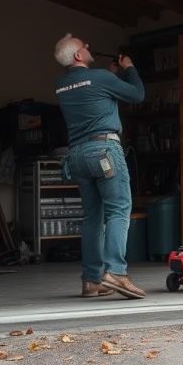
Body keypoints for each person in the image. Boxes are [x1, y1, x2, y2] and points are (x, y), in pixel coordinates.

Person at [53, 33, 146, 299]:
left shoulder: (61, 86)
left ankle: (91, 280)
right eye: (84, 45)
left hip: (77, 155)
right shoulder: (102, 79)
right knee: (118, 210)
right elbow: (138, 95)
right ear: (78, 56)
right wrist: (129, 68)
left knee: (93, 217)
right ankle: (116, 271)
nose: (88, 46)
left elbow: (89, 89)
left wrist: (109, 74)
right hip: (104, 149)